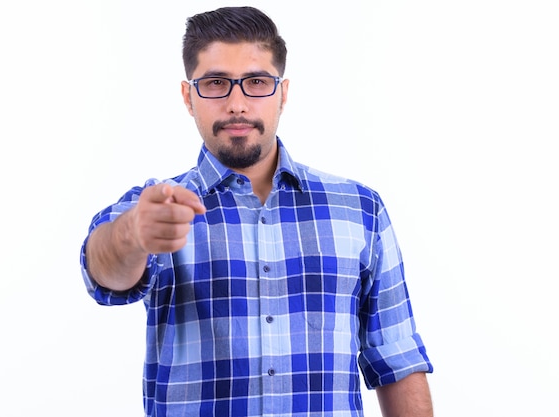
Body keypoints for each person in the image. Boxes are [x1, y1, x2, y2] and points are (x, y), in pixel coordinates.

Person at [80, 6, 434, 417]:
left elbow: (397, 359)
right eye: (215, 83)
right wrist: (133, 235)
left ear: (282, 93)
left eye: (256, 82)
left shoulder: (360, 209)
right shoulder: (157, 207)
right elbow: (102, 272)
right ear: (188, 96)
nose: (236, 103)